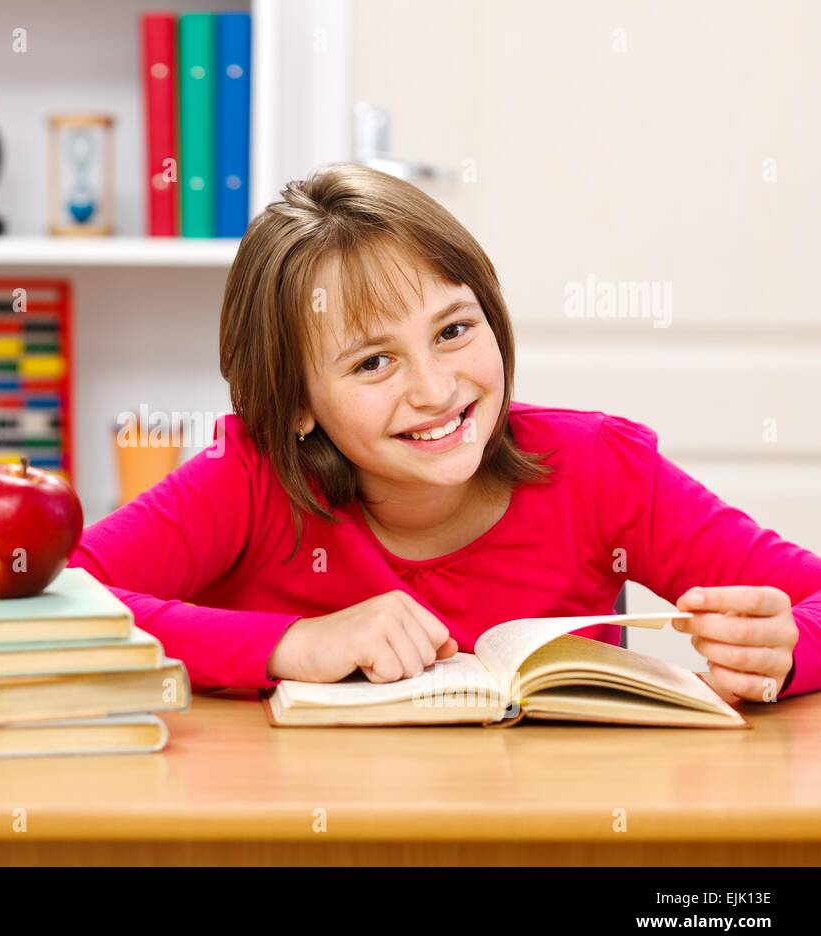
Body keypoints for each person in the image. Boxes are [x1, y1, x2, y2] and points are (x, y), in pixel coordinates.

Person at [67, 163, 818, 704]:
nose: (434, 391)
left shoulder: (599, 468)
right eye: (372, 362)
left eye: (454, 330)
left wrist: (789, 650)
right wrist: (293, 644)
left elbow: (810, 600)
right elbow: (60, 600)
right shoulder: (248, 477)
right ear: (296, 403)